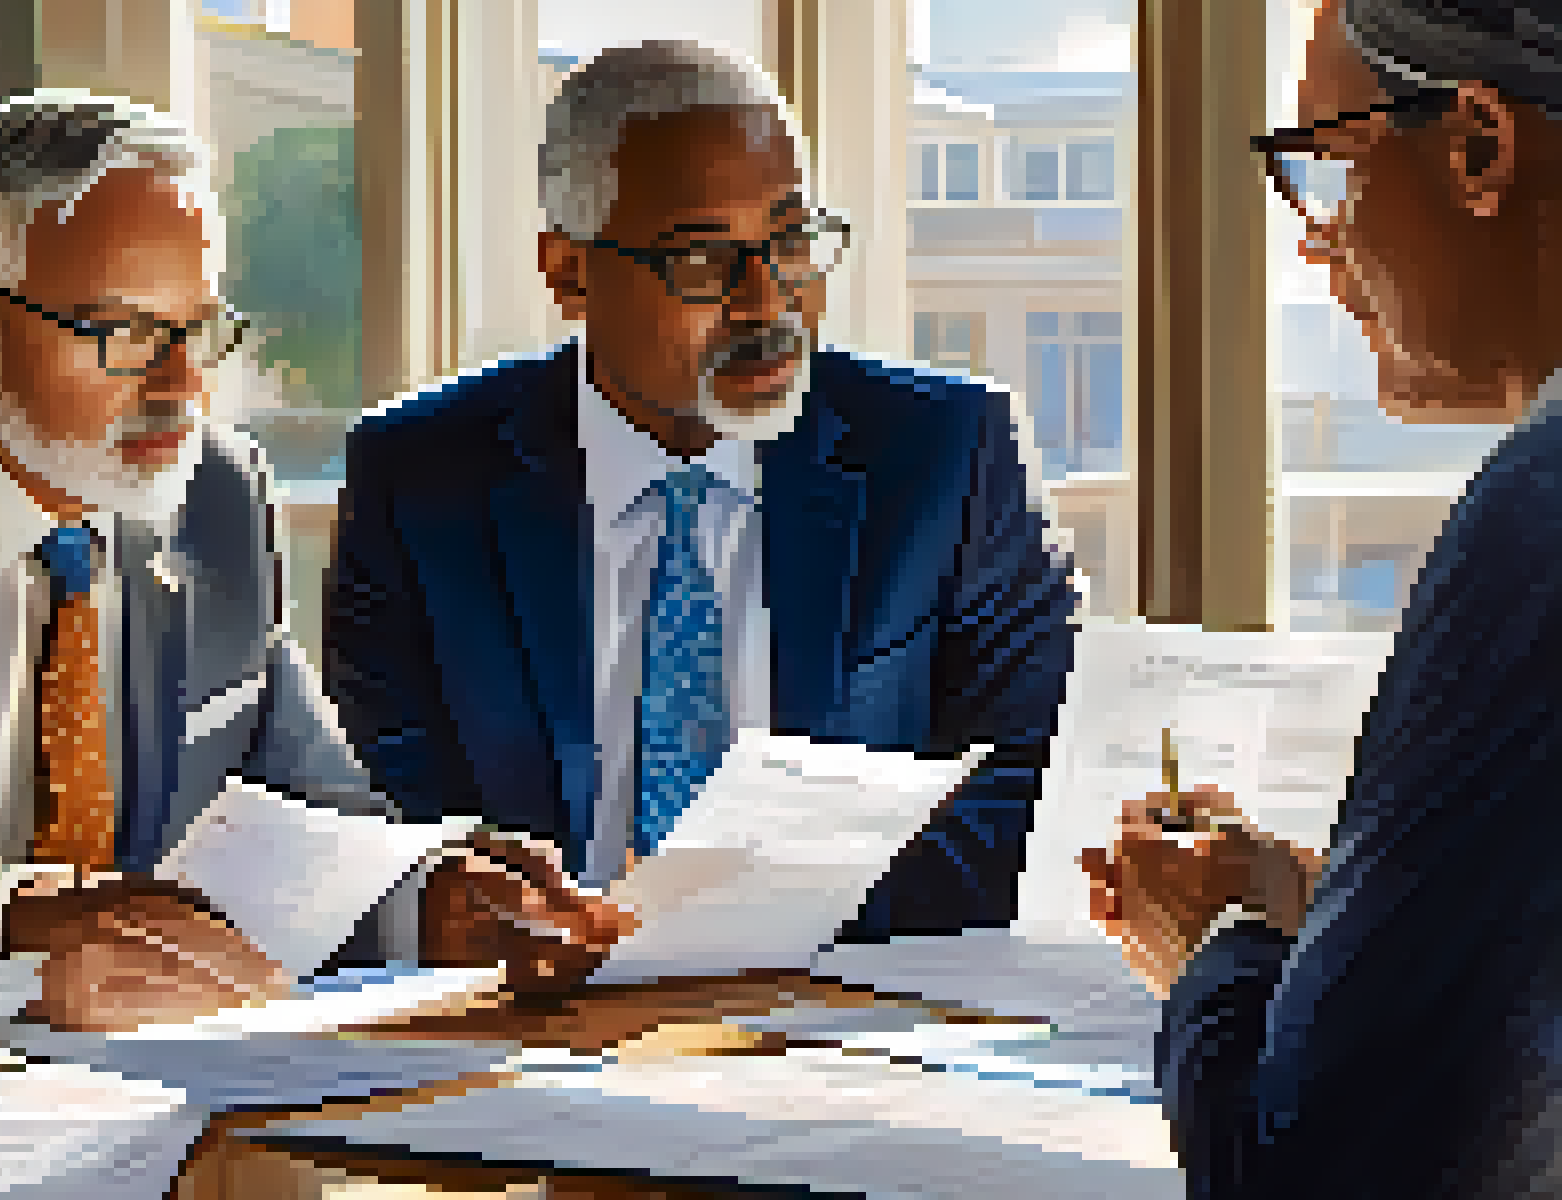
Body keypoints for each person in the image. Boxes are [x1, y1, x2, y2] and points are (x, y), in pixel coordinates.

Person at [0, 90, 626, 1033]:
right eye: (126, 333)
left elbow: (309, 815)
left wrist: (427, 897)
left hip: (136, 1088)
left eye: (198, 329)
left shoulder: (219, 493)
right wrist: (26, 922)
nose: (185, 384)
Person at [324, 40, 1076, 939]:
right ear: (567, 270)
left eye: (790, 243)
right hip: (531, 1027)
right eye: (702, 262)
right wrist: (461, 910)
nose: (766, 302)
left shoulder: (947, 457)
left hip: (844, 1016)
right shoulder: (417, 479)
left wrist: (778, 929)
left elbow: (1031, 789)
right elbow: (377, 814)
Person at [1081, 1, 1562, 1194]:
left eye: (1334, 167)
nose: (1316, 242)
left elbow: (1307, 1170)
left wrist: (1210, 947)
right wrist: (1338, 915)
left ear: (1477, 148)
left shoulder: (1538, 520)